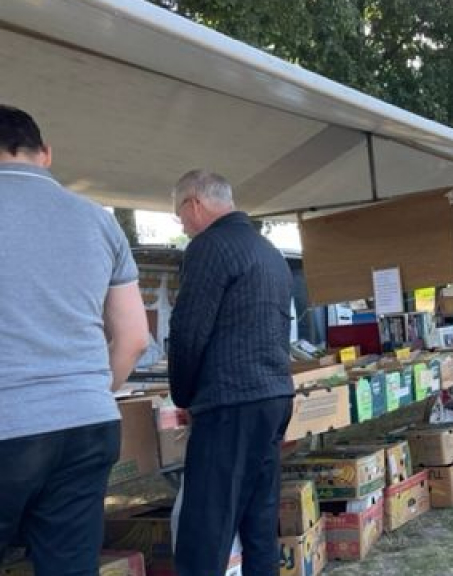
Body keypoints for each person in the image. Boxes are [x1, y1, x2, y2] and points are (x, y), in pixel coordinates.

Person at [0, 105, 149, 574]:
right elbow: (133, 338)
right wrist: (85, 389)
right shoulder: (99, 220)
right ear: (45, 153)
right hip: (88, 423)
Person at [169, 170, 296, 575]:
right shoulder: (267, 249)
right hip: (273, 395)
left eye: (180, 216)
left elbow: (188, 331)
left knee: (204, 532)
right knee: (259, 527)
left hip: (230, 401)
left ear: (195, 204)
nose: (183, 226)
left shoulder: (209, 247)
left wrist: (183, 396)